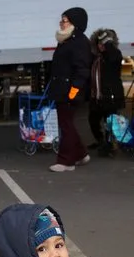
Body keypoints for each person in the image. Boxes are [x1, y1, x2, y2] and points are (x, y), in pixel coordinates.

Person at [47, 8, 92, 172]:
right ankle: (80, 153)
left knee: (66, 125)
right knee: (67, 123)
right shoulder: (66, 40)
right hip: (62, 88)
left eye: (65, 20)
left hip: (69, 90)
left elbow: (82, 69)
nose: (61, 23)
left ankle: (66, 161)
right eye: (62, 20)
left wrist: (74, 90)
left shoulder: (78, 42)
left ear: (75, 23)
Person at [87, 29, 124, 157]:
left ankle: (109, 146)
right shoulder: (96, 58)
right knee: (93, 120)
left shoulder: (114, 55)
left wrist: (107, 43)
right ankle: (101, 141)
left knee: (110, 122)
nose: (101, 46)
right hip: (97, 96)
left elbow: (113, 56)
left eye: (103, 44)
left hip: (110, 95)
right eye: (99, 43)